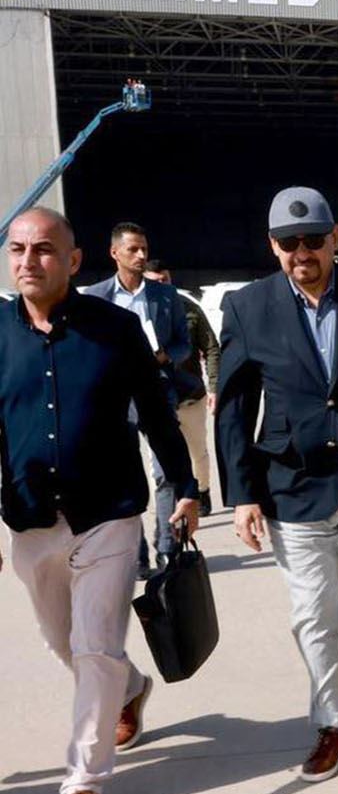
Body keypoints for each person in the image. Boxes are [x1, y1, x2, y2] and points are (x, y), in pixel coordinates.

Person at [0, 207, 199, 794]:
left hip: (108, 515)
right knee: (63, 641)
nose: (29, 261)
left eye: (43, 249)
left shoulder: (115, 328)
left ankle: (83, 783)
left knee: (93, 647)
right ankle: (131, 688)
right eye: (18, 250)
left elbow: (157, 415)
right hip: (31, 521)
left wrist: (186, 487)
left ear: (74, 259)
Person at [215, 187, 338, 783]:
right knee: (314, 615)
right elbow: (233, 407)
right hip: (291, 485)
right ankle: (334, 725)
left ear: (336, 239)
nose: (302, 252)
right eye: (288, 242)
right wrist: (242, 494)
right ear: (273, 246)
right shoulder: (248, 307)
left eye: (313, 240)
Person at [81, 223, 200, 577]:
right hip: (114, 398)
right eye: (133, 249)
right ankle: (136, 555)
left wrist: (165, 356)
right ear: (114, 252)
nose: (141, 255)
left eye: (144, 248)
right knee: (124, 476)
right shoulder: (96, 297)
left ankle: (166, 547)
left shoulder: (165, 295)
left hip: (157, 390)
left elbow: (183, 343)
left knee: (166, 474)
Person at [144, 259, 221, 516]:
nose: (161, 285)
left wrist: (214, 386)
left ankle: (202, 490)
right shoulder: (138, 314)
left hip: (190, 396)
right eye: (154, 282)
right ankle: (170, 505)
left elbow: (211, 348)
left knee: (197, 452)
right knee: (160, 460)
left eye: (164, 280)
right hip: (156, 399)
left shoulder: (189, 309)